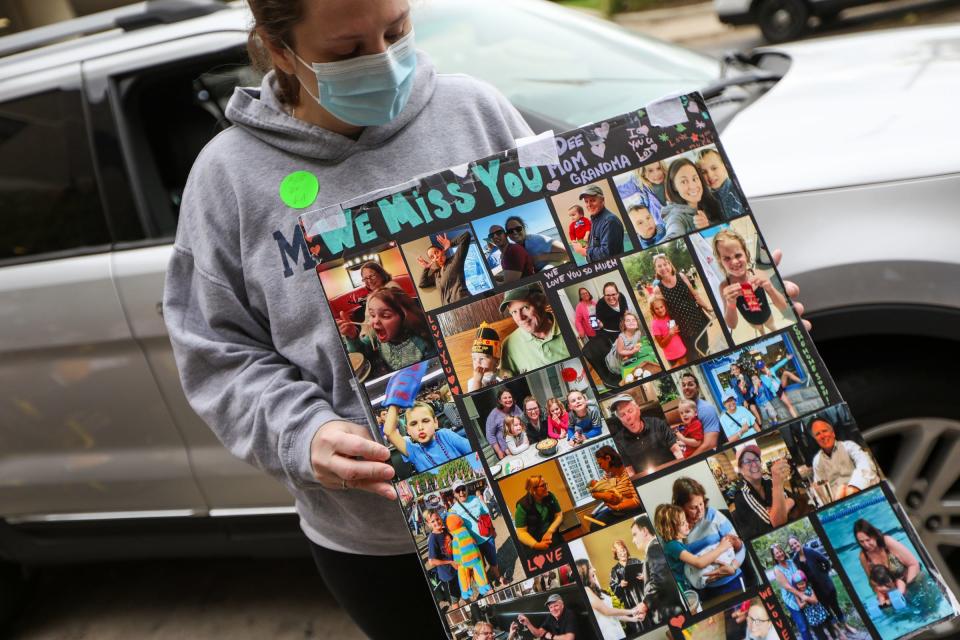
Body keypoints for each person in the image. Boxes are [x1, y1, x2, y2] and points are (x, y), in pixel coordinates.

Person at [162, 4, 808, 636]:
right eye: (348, 51)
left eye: (396, 31)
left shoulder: (473, 110)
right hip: (383, 546)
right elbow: (216, 349)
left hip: (562, 506)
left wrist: (748, 311)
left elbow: (577, 278)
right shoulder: (229, 177)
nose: (384, 61)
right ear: (281, 49)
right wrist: (300, 432)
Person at [673, 477, 745, 602]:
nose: (700, 510)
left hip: (734, 578)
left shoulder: (713, 515)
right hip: (708, 589)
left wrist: (732, 568)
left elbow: (740, 546)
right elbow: (683, 567)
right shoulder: (677, 530)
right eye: (693, 507)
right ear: (681, 507)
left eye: (701, 504)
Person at [338, 286, 437, 375]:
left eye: (385, 315)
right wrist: (353, 336)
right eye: (372, 315)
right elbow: (363, 354)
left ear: (404, 317)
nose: (375, 321)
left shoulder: (424, 344)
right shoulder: (374, 335)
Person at [714, 228, 791, 336]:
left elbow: (783, 306)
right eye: (727, 258)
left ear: (746, 253)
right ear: (720, 261)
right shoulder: (725, 287)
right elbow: (732, 325)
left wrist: (770, 288)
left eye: (738, 255)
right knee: (761, 332)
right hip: (752, 321)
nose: (734, 262)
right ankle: (761, 332)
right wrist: (731, 304)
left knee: (774, 329)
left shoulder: (758, 274)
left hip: (767, 315)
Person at [655, 503, 734, 594]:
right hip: (683, 589)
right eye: (683, 523)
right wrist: (721, 548)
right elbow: (698, 563)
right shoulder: (672, 546)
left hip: (689, 583)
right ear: (670, 528)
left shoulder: (677, 543)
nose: (687, 524)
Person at [788, 534, 853, 639]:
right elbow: (801, 575)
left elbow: (826, 562)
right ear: (791, 548)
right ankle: (839, 632)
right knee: (827, 611)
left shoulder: (810, 552)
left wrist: (824, 574)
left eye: (795, 543)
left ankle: (846, 626)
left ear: (799, 541)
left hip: (827, 585)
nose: (794, 546)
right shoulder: (795, 560)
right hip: (816, 591)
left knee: (835, 606)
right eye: (792, 546)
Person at [499, 286, 571, 376]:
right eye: (514, 312)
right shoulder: (508, 345)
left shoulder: (571, 324)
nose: (520, 318)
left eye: (525, 307)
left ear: (542, 303)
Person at [652, 254, 714, 359]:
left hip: (697, 319)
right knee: (693, 354)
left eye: (665, 264)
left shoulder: (681, 276)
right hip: (682, 328)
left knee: (705, 348)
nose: (663, 268)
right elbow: (663, 311)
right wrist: (667, 330)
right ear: (656, 269)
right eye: (659, 266)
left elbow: (695, 295)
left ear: (670, 264)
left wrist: (707, 308)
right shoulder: (658, 289)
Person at [608, 395, 682, 476]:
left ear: (638, 410)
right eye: (622, 415)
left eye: (630, 411)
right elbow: (630, 471)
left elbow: (677, 450)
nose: (628, 417)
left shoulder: (657, 424)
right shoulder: (619, 441)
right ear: (620, 420)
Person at [630, 515, 685, 626]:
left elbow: (660, 581)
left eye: (635, 535)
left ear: (645, 531)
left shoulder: (653, 549)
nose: (633, 540)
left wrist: (645, 604)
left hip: (670, 613)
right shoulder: (654, 549)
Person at [732, 445, 796, 539]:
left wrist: (785, 505)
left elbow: (792, 498)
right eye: (748, 461)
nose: (754, 464)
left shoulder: (767, 480)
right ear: (741, 470)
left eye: (756, 459)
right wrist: (778, 484)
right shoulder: (742, 494)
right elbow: (776, 523)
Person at [854, 518, 920, 606]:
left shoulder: (887, 542)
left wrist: (908, 588)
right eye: (861, 542)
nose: (865, 545)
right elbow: (872, 582)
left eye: (868, 540)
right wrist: (882, 596)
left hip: (913, 581)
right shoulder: (864, 556)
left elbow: (914, 564)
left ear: (874, 535)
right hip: (892, 590)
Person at [809, 419, 880, 500]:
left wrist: (852, 488)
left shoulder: (849, 446)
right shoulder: (817, 461)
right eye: (818, 434)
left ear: (833, 433)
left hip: (860, 491)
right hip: (837, 500)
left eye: (824, 431)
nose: (822, 436)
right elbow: (820, 487)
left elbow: (866, 465)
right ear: (816, 440)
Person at [449, 481, 502, 585]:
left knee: (493, 560)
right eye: (458, 490)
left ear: (466, 489)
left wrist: (493, 529)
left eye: (463, 488)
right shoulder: (453, 510)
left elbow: (486, 514)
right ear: (454, 493)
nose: (461, 492)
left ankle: (498, 577)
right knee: (480, 566)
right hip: (471, 544)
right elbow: (454, 530)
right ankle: (486, 584)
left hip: (487, 538)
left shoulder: (475, 499)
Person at [576, 558, 642, 640]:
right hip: (608, 634)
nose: (594, 570)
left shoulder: (594, 589)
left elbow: (612, 614)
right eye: (590, 568)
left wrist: (632, 619)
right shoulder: (585, 590)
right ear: (583, 573)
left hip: (616, 630)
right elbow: (607, 611)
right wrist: (632, 611)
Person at [659, 158, 724, 240]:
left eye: (694, 179)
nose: (693, 186)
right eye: (684, 181)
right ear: (674, 186)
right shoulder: (676, 218)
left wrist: (707, 226)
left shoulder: (710, 202)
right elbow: (673, 233)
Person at [417, 231, 476, 305]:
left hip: (465, 302)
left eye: (436, 252)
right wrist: (426, 268)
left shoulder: (455, 260)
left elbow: (466, 236)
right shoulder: (436, 274)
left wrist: (451, 243)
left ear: (442, 251)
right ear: (432, 260)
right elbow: (422, 284)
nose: (436, 257)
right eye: (432, 257)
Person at [771, 543, 814, 640]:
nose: (779, 554)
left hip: (802, 594)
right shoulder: (777, 570)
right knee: (803, 627)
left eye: (780, 551)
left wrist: (805, 592)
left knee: (809, 621)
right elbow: (787, 587)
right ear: (774, 557)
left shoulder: (791, 562)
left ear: (783, 552)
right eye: (776, 553)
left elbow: (800, 576)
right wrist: (801, 595)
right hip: (792, 599)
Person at [589, 446, 642, 523]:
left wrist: (616, 507)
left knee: (596, 524)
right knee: (594, 520)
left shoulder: (629, 473)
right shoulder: (609, 474)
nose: (600, 467)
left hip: (629, 511)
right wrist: (604, 495)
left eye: (600, 464)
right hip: (615, 511)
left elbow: (637, 501)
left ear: (608, 458)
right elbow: (594, 491)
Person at [572, 185, 625, 261]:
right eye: (586, 201)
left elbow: (607, 254)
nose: (589, 205)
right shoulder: (594, 220)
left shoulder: (610, 221)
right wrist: (586, 244)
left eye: (593, 200)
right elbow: (597, 243)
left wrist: (584, 251)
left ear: (602, 200)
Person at [514, 474, 563, 551]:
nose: (547, 487)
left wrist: (550, 531)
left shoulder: (550, 496)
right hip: (534, 540)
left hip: (551, 535)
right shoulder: (522, 506)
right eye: (543, 485)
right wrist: (536, 545)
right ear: (533, 490)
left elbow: (559, 515)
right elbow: (521, 532)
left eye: (546, 484)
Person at [678, 373, 722, 457]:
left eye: (690, 384)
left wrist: (689, 461)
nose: (686, 387)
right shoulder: (684, 410)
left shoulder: (706, 409)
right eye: (684, 385)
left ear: (697, 387)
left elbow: (710, 444)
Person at [424, 508, 461, 606]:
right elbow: (432, 561)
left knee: (461, 592)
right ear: (429, 524)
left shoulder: (445, 530)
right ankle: (461, 619)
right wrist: (450, 562)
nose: (436, 522)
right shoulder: (433, 539)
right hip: (447, 575)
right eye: (433, 521)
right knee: (455, 602)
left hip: (456, 569)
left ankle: (470, 606)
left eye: (437, 519)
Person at [504, 215, 569, 271]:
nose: (515, 232)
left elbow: (567, 252)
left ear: (524, 228)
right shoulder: (516, 248)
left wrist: (539, 258)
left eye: (518, 228)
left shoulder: (536, 239)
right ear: (508, 235)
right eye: (510, 231)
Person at [697, 148, 746, 221]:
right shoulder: (704, 201)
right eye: (704, 172)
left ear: (725, 166)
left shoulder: (739, 189)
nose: (710, 175)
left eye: (714, 168)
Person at [609, 540, 645, 634]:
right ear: (616, 554)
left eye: (623, 550)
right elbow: (613, 587)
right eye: (619, 552)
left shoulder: (636, 561)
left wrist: (644, 577)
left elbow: (648, 575)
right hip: (629, 600)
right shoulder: (615, 570)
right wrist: (620, 585)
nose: (622, 553)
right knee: (638, 625)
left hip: (642, 595)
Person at [648, 295, 686, 367]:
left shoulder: (670, 315)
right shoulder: (655, 324)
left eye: (661, 307)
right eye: (656, 308)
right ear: (653, 310)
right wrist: (670, 334)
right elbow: (661, 345)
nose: (660, 310)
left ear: (665, 306)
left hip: (681, 350)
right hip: (671, 356)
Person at [485, 389, 523, 460]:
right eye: (505, 398)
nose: (508, 400)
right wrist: (499, 451)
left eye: (510, 397)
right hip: (507, 451)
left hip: (521, 444)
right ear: (499, 400)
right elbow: (490, 435)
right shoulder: (494, 414)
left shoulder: (516, 408)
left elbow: (523, 422)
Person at [605, 311, 645, 376]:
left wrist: (636, 347)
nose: (631, 322)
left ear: (637, 324)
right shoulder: (621, 337)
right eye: (628, 320)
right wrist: (632, 351)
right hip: (617, 360)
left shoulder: (638, 332)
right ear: (624, 325)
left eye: (633, 320)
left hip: (628, 353)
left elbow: (637, 341)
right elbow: (620, 351)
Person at [468, 322, 503, 392]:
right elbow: (475, 397)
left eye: (482, 358)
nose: (477, 362)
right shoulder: (472, 382)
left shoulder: (504, 373)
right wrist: (477, 381)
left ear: (496, 362)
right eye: (474, 358)